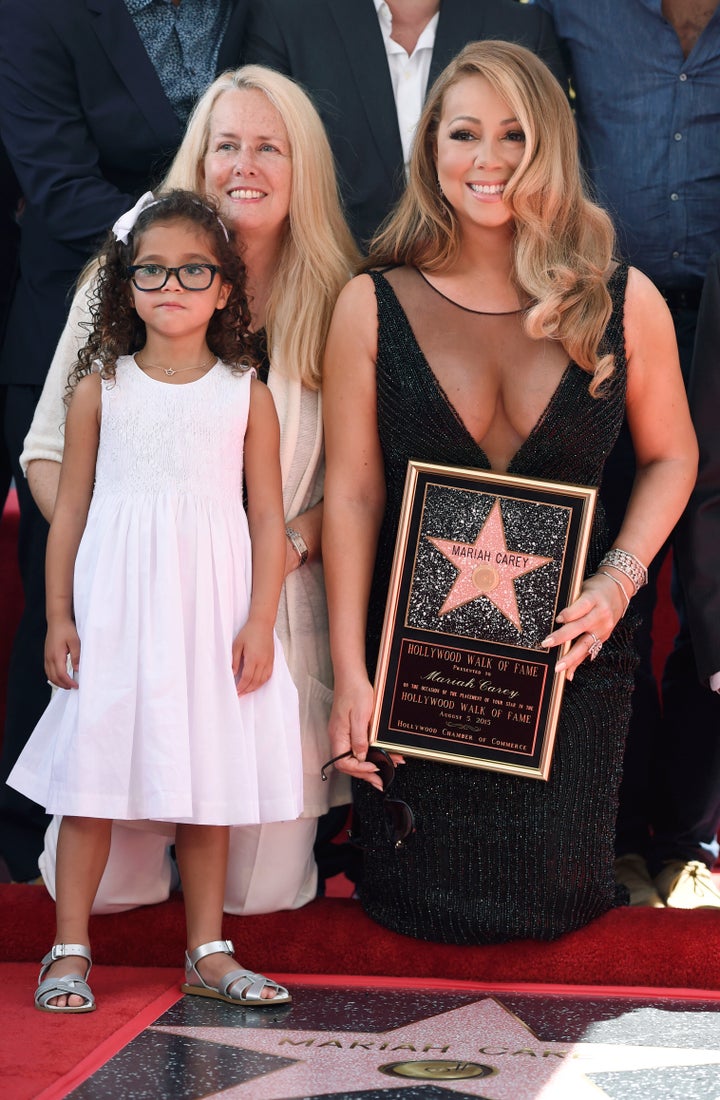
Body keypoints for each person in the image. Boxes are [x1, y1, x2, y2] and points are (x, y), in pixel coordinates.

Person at [321, 40, 698, 944]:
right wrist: (349, 673)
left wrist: (617, 582)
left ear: (552, 147)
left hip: (573, 664)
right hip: (417, 673)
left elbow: (673, 458)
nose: (487, 161)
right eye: (463, 134)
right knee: (406, 914)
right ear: (431, 152)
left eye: (514, 135)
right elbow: (352, 495)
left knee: (557, 917)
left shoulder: (623, 299)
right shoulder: (369, 303)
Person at [21, 65, 357, 915]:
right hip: (135, 620)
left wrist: (291, 541)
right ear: (197, 159)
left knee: (263, 897)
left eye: (269, 147)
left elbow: (360, 484)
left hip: (263, 628)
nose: (245, 164)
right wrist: (128, 557)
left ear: (301, 166)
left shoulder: (342, 298)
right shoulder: (125, 274)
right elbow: (45, 454)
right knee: (98, 892)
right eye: (226, 145)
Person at [7, 189, 302, 1012]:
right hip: (116, 609)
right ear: (125, 284)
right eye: (152, 272)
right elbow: (69, 509)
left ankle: (208, 950)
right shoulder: (104, 387)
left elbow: (270, 515)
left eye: (193, 271)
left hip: (209, 614)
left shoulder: (248, 393)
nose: (171, 285)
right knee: (92, 780)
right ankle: (68, 950)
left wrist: (258, 620)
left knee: (205, 780)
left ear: (224, 288)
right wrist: (60, 613)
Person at [0, 0, 250, 885]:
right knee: (67, 591)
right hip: (93, 315)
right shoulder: (38, 14)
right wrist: (183, 258)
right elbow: (57, 183)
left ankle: (199, 823)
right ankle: (28, 838)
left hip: (233, 315)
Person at [535, 0, 720, 909]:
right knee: (612, 578)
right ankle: (607, 832)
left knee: (715, 591)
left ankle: (685, 831)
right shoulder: (576, 9)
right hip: (601, 327)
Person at [243, 0, 566, 248]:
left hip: (498, 286)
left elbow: (553, 168)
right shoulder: (286, 18)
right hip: (330, 283)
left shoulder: (522, 25)